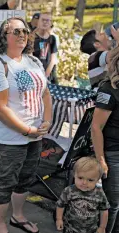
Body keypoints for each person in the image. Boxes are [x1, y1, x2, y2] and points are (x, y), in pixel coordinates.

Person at [0, 17, 52, 233]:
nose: (22, 34)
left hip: (34, 135)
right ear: (4, 37)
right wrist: (26, 130)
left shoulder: (34, 61)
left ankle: (18, 216)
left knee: (26, 179)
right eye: (16, 31)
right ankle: (0, 224)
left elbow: (46, 94)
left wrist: (46, 121)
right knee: (4, 183)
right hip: (8, 139)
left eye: (24, 30)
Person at [91, 45, 119, 233]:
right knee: (113, 203)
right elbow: (96, 127)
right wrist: (101, 159)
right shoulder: (109, 89)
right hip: (113, 152)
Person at [56, 157, 110, 233]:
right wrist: (59, 219)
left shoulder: (99, 193)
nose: (84, 182)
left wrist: (102, 227)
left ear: (97, 180)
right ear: (74, 175)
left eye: (90, 180)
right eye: (80, 178)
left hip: (91, 230)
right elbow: (60, 205)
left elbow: (104, 210)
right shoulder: (69, 191)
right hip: (70, 229)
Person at [33, 13, 58, 84]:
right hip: (36, 75)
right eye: (43, 20)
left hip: (49, 76)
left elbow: (53, 60)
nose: (45, 22)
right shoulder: (32, 38)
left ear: (51, 23)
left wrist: (45, 76)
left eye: (47, 20)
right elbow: (30, 58)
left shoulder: (52, 39)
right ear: (38, 22)